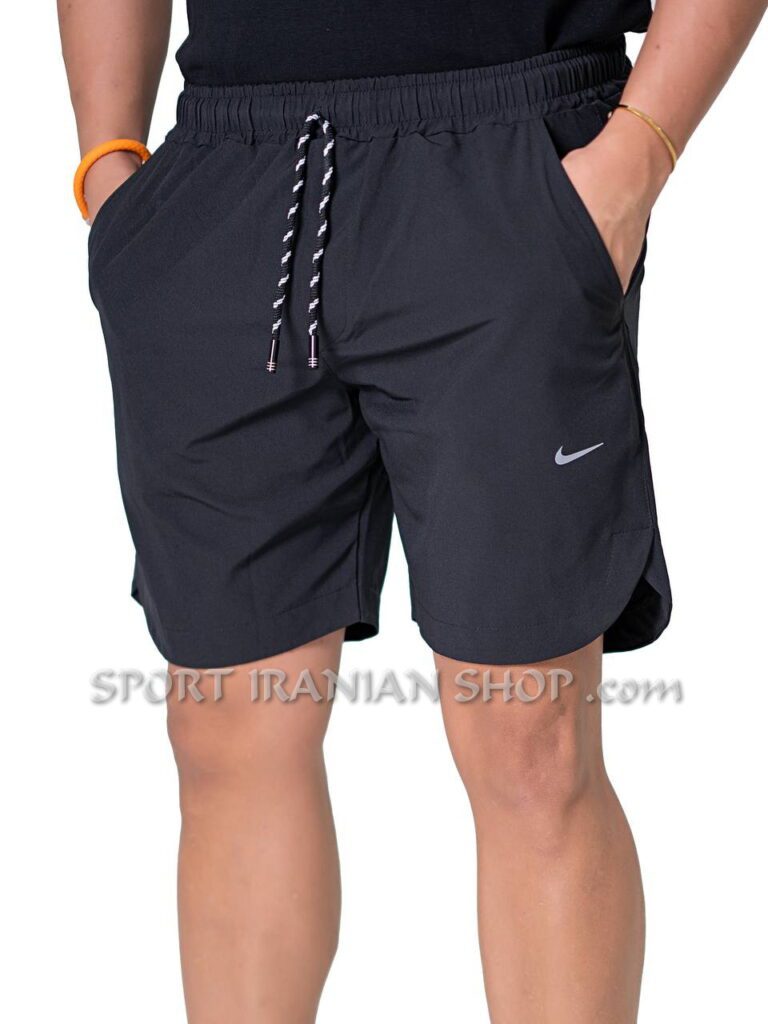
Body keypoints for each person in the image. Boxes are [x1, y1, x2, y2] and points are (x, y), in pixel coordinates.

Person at [59, 1, 765, 1021]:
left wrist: (634, 163)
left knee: (529, 736)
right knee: (226, 731)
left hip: (505, 147)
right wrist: (110, 168)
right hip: (226, 171)